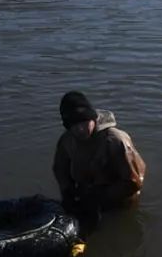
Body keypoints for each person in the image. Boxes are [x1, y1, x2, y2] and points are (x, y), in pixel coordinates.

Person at [52, 91, 147, 231]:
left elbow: (133, 182)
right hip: (86, 196)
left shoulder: (116, 140)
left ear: (93, 119)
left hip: (118, 203)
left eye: (84, 122)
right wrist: (67, 192)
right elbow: (60, 168)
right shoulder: (66, 140)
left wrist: (99, 197)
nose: (80, 129)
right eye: (74, 125)